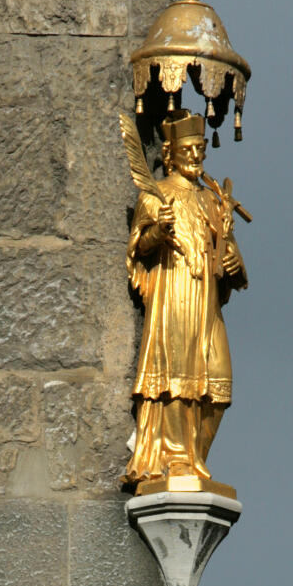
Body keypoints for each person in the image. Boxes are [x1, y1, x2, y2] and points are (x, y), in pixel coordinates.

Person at [124, 109, 247, 488]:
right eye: (189, 150)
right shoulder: (157, 196)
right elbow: (137, 250)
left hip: (207, 303)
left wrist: (233, 262)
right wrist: (159, 231)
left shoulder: (213, 203)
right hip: (174, 296)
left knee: (219, 383)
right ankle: (176, 459)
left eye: (201, 151)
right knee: (178, 377)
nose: (196, 158)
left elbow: (236, 269)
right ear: (171, 154)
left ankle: (196, 456)